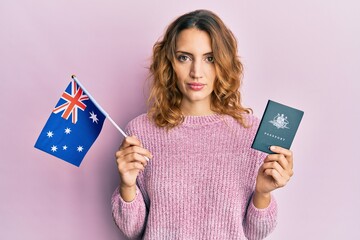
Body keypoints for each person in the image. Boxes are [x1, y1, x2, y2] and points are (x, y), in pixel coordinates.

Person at [111, 9, 294, 240]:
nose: (196, 72)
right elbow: (132, 229)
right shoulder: (140, 132)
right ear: (170, 63)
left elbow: (255, 233)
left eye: (210, 58)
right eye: (184, 57)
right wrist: (127, 185)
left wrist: (263, 193)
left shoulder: (252, 133)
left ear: (223, 63)